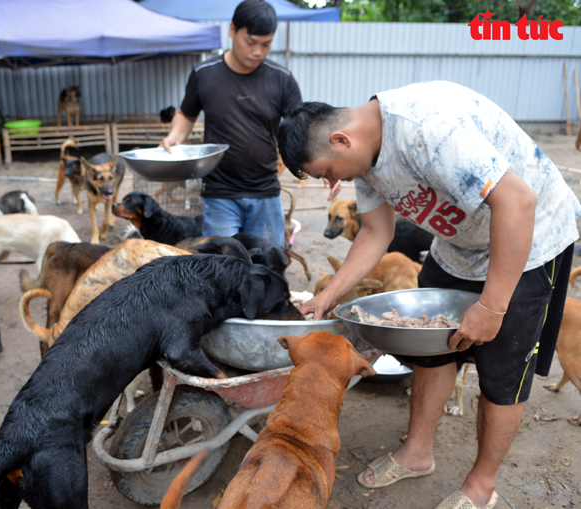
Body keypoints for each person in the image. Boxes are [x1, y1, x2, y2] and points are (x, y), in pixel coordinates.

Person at [277, 81, 580, 509]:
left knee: (502, 373)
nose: (332, 182)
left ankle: (481, 487)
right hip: (457, 247)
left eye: (327, 171)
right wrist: (329, 296)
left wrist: (492, 306)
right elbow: (376, 233)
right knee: (432, 350)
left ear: (340, 140)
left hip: (529, 240)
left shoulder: (428, 129)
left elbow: (519, 202)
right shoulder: (363, 158)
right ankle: (416, 453)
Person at [160, 0, 302, 247]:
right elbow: (186, 114)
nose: (258, 51)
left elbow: (300, 130)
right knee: (221, 271)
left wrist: (320, 162)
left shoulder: (282, 80)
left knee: (267, 269)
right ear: (232, 29)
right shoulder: (205, 74)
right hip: (219, 193)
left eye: (266, 44)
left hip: (265, 192)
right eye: (251, 42)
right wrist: (175, 135)